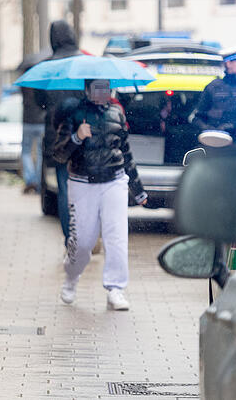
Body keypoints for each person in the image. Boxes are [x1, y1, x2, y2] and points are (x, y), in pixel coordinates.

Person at [53, 79, 147, 310]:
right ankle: (71, 277)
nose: (102, 92)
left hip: (114, 181)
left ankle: (116, 288)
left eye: (106, 87)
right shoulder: (74, 113)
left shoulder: (117, 113)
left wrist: (138, 190)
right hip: (82, 183)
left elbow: (125, 152)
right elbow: (58, 154)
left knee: (116, 236)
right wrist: (76, 137)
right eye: (97, 87)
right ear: (87, 90)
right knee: (83, 242)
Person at [34, 20, 85, 245]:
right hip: (85, 134)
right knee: (87, 187)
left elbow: (39, 101)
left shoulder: (47, 67)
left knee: (65, 188)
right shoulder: (85, 63)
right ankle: (87, 235)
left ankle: (70, 238)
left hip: (58, 137)